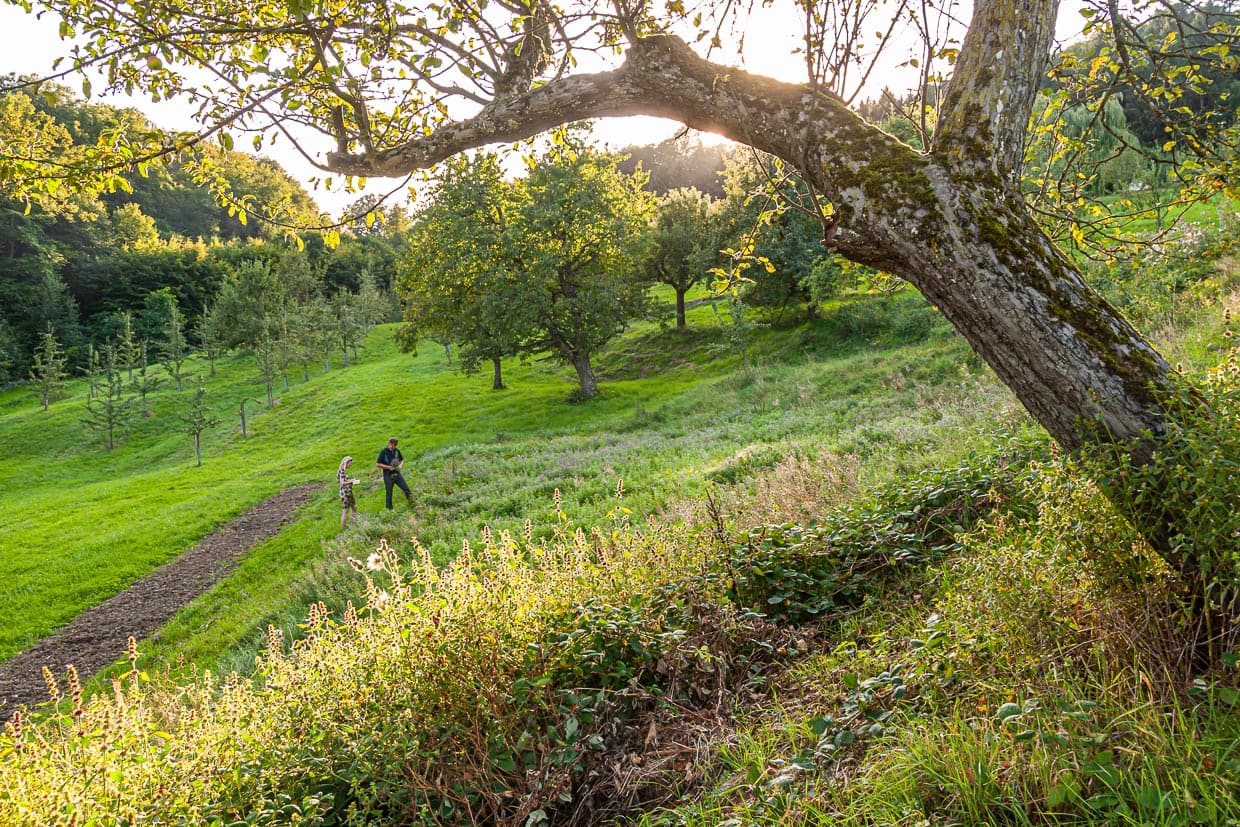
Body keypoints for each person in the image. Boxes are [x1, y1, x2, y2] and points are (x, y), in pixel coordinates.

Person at [376, 437, 413, 509]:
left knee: (407, 489)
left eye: (393, 445)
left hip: (397, 474)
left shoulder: (397, 451)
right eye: (390, 445)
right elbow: (377, 464)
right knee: (389, 494)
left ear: (395, 445)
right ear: (389, 443)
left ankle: (412, 504)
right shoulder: (384, 452)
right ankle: (389, 510)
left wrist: (400, 465)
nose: (391, 446)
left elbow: (402, 460)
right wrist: (388, 467)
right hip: (388, 476)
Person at [337, 456, 360, 528]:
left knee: (354, 507)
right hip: (345, 493)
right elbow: (342, 483)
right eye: (350, 464)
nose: (350, 465)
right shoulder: (342, 471)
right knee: (345, 510)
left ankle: (353, 522)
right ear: (346, 463)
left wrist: (350, 481)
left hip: (348, 492)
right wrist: (351, 481)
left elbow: (344, 481)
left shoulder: (342, 471)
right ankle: (342, 528)